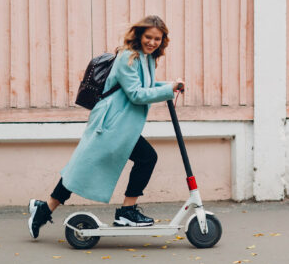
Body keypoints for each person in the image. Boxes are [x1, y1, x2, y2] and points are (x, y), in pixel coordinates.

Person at [28, 15, 185, 239]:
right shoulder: (127, 57)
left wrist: (170, 85)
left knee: (90, 165)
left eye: (157, 39)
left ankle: (45, 209)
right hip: (111, 123)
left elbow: (146, 85)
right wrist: (168, 90)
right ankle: (125, 212)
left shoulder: (147, 58)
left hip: (122, 124)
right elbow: (136, 93)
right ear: (139, 35)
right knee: (86, 166)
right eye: (148, 37)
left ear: (163, 40)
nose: (152, 42)